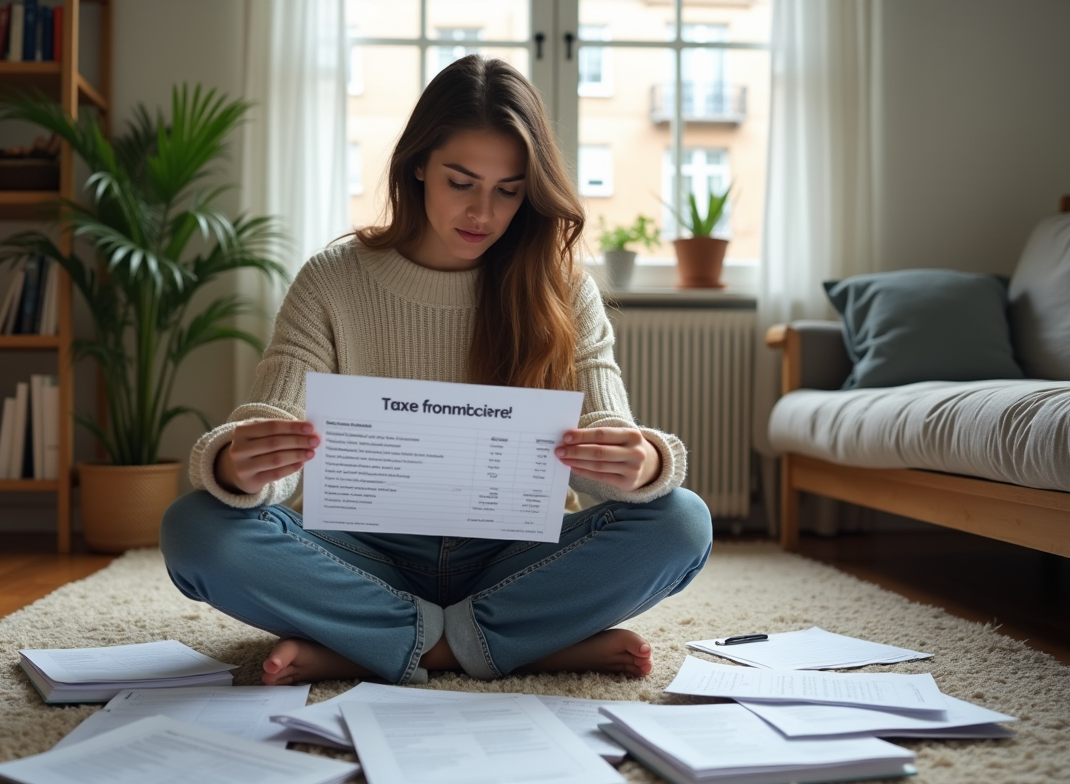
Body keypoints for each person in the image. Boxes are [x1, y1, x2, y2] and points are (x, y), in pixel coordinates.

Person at [160, 55, 712, 687]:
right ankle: (508, 643)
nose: (483, 213)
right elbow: (270, 422)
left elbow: (607, 445)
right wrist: (237, 465)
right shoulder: (332, 279)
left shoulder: (563, 288)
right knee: (195, 529)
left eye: (508, 190)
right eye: (461, 182)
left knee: (682, 522)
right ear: (418, 164)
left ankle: (377, 645)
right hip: (361, 556)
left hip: (516, 558)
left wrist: (643, 464)